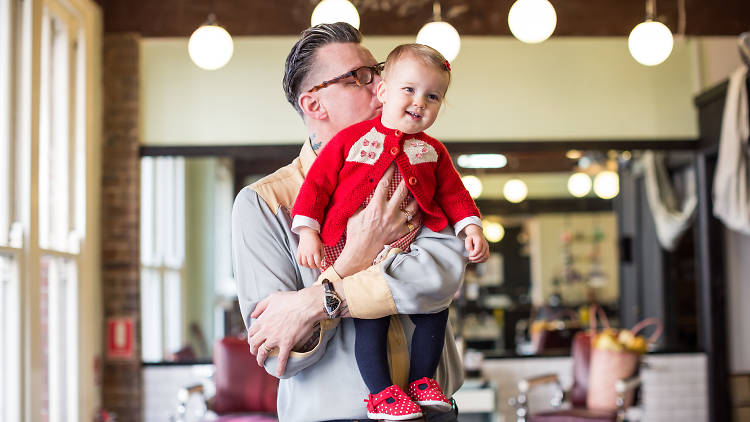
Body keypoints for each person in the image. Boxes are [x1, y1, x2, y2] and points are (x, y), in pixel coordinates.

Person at [232, 22, 468, 421]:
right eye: (359, 77)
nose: (381, 82)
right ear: (314, 105)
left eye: (377, 70)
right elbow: (277, 353)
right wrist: (354, 256)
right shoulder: (265, 204)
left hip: (435, 412)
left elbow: (441, 278)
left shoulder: (418, 173)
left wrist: (317, 301)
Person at [290, 43, 489, 419]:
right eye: (409, 90)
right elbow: (316, 186)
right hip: (354, 249)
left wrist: (471, 226)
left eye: (433, 96)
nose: (420, 102)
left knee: (436, 311)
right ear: (383, 93)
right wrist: (308, 233)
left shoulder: (433, 151)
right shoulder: (350, 141)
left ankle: (421, 381)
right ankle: (381, 393)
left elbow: (454, 193)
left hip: (409, 247)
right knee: (372, 318)